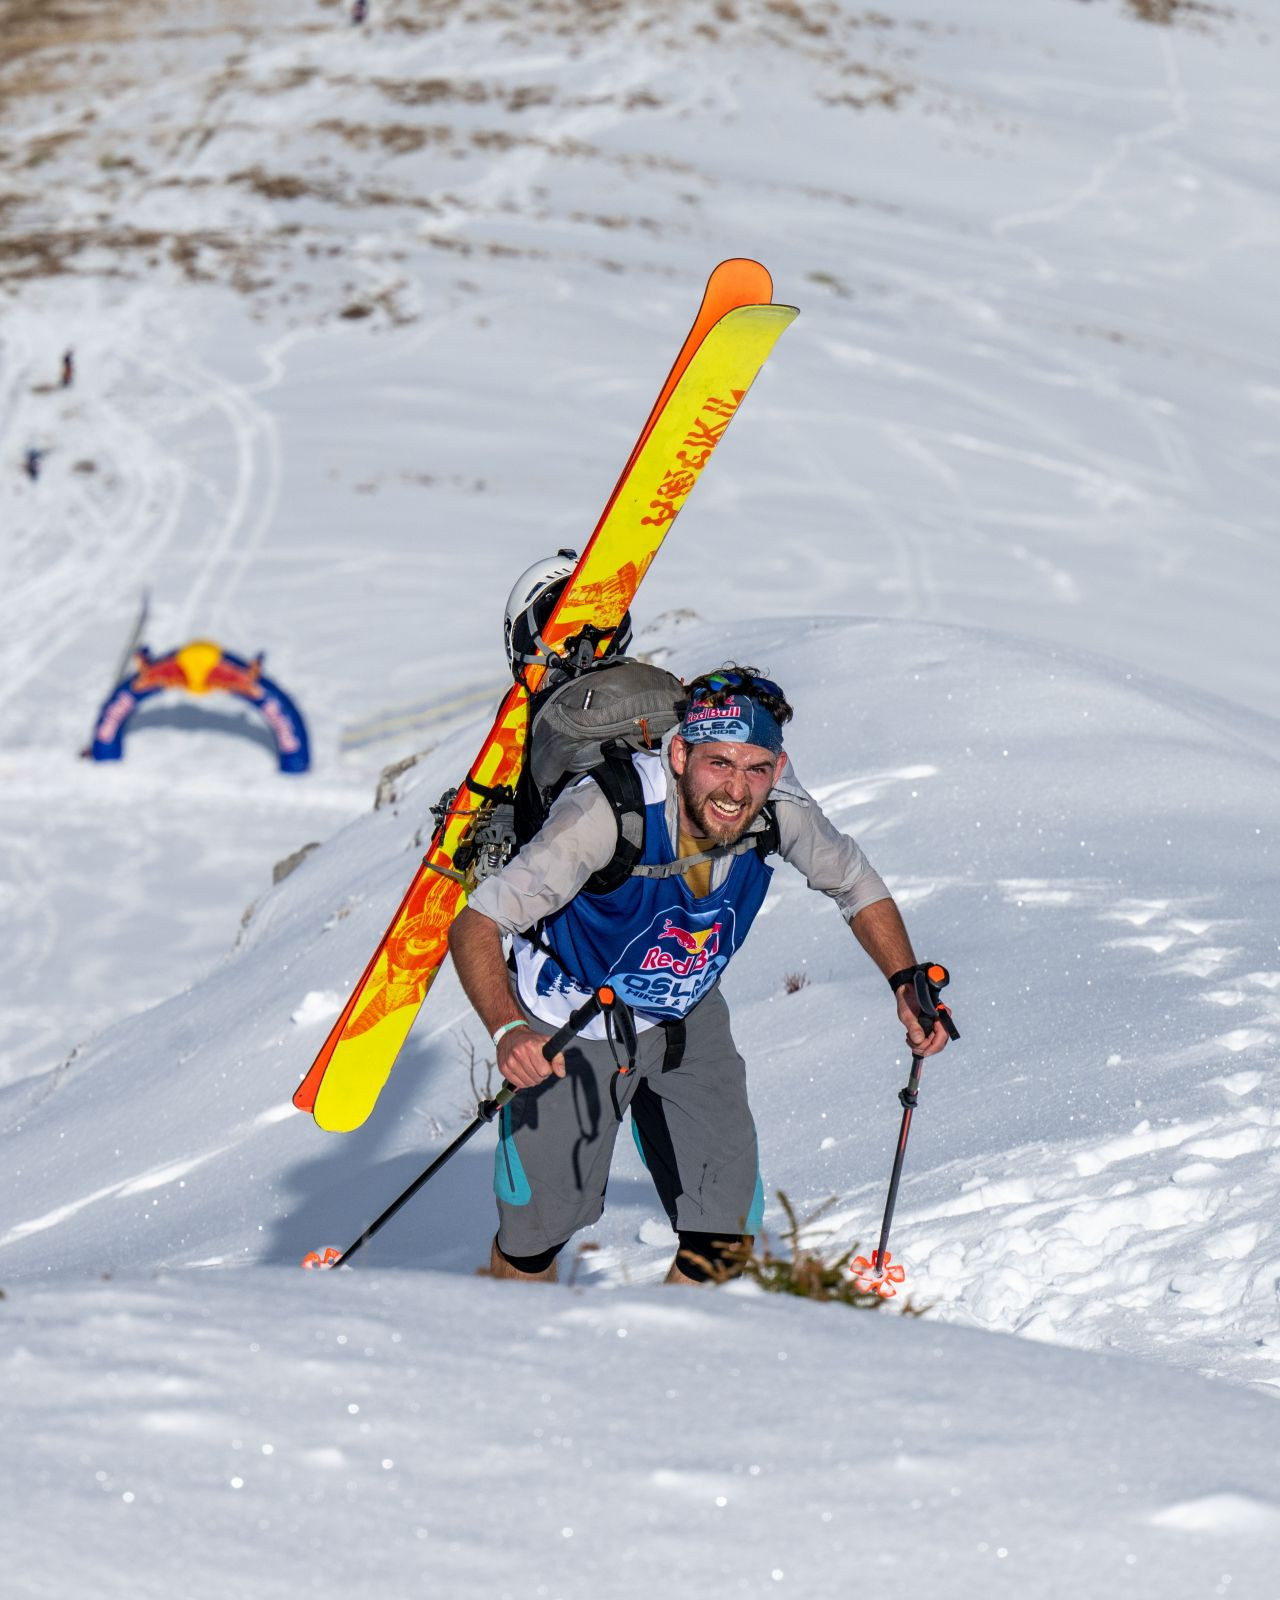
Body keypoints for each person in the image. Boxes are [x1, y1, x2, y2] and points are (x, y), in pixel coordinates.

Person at [449, 564, 952, 1287]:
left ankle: (661, 1377)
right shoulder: (604, 812)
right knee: (536, 1239)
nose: (737, 789)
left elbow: (856, 884)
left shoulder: (778, 803)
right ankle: (508, 1360)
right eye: (719, 763)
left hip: (686, 1015)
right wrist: (507, 1031)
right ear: (679, 752)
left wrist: (905, 980)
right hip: (570, 1024)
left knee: (722, 1240)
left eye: (755, 768)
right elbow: (478, 923)